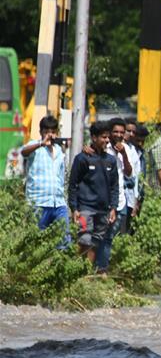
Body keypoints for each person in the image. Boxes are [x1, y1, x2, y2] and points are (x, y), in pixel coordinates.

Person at [68, 121, 119, 267]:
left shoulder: (111, 160)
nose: (107, 140)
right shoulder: (82, 158)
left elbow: (114, 186)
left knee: (95, 242)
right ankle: (75, 271)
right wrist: (74, 208)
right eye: (103, 137)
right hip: (85, 209)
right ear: (94, 137)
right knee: (84, 240)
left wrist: (113, 207)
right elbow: (73, 185)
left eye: (108, 137)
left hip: (103, 210)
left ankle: (86, 274)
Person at [93, 118, 133, 273]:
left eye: (122, 132)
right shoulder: (103, 147)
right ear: (109, 133)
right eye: (115, 131)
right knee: (96, 236)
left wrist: (123, 154)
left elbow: (129, 173)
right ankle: (92, 268)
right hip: (101, 200)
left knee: (109, 237)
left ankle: (102, 269)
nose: (119, 135)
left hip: (120, 201)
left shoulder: (126, 149)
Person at [20, 115, 68, 241]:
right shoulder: (35, 146)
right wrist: (41, 143)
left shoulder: (59, 151)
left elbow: (61, 175)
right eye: (46, 132)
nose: (50, 135)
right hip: (38, 202)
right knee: (36, 240)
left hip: (58, 203)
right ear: (41, 132)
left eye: (52, 132)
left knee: (63, 240)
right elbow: (24, 152)